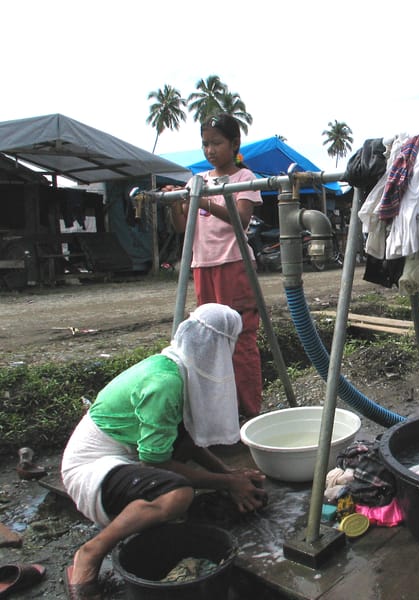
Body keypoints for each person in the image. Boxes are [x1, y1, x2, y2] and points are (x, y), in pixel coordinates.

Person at [61, 303, 267, 599]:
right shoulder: (164, 382)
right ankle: (91, 554)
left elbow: (183, 442)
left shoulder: (179, 368)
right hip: (91, 470)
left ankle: (142, 515)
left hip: (124, 455)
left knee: (181, 485)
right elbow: (155, 460)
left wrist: (229, 474)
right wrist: (226, 483)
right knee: (177, 495)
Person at [169, 113, 264, 418]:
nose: (209, 150)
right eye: (205, 144)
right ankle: (219, 411)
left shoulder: (243, 178)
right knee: (208, 337)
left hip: (233, 264)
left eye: (216, 143)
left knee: (240, 337)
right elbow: (184, 229)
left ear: (234, 143)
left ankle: (249, 410)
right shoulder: (197, 181)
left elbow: (243, 219)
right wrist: (178, 203)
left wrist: (203, 201)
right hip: (202, 265)